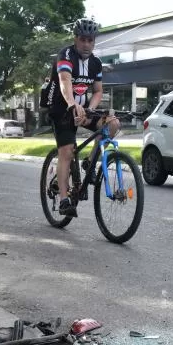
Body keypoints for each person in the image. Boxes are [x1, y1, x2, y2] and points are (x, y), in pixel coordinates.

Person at [45, 17, 120, 217]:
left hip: (81, 109)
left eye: (90, 40)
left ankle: (90, 161)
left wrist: (89, 109)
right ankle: (63, 199)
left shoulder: (95, 63)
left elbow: (97, 91)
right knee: (67, 151)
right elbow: (64, 82)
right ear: (76, 38)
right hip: (61, 108)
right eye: (83, 39)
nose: (87, 44)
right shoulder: (66, 55)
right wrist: (72, 104)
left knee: (112, 124)